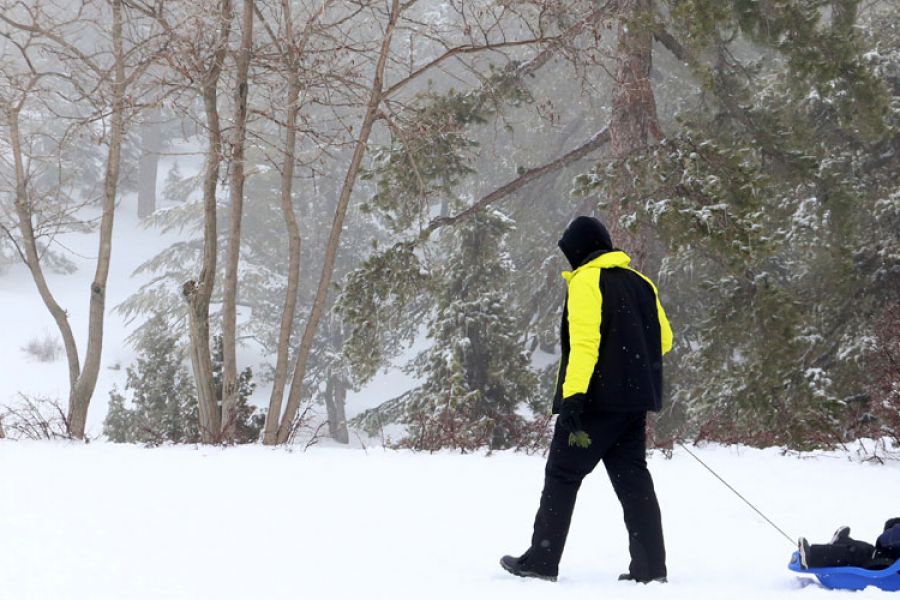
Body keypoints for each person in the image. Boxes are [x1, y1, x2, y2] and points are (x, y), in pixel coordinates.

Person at [500, 216, 673, 584]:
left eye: (570, 254)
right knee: (634, 483)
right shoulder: (641, 283)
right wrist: (630, 357)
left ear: (580, 250)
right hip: (633, 404)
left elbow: (584, 345)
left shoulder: (586, 282)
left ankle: (542, 561)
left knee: (561, 475)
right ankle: (650, 568)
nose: (569, 262)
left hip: (594, 404)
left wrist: (573, 396)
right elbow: (665, 340)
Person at [799, 519, 900, 570]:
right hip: (889, 557)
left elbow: (883, 541)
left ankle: (811, 557)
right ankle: (841, 541)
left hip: (889, 566)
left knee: (854, 553)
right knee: (865, 548)